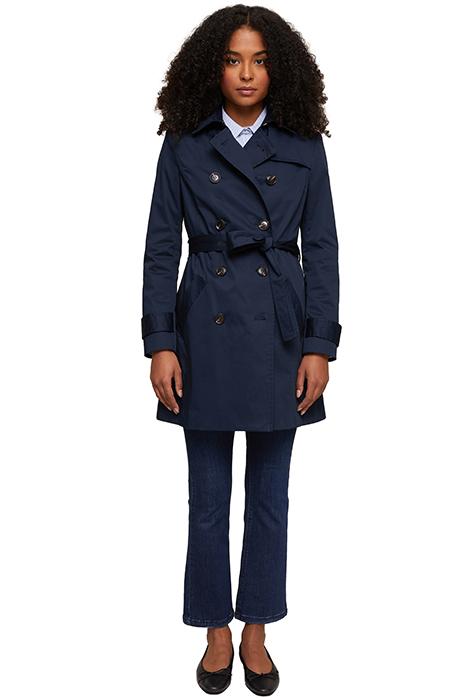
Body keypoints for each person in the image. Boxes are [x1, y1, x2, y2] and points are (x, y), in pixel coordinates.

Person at [140, 5, 342, 695]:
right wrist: (160, 342)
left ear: (278, 69)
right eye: (232, 59)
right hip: (204, 328)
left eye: (259, 60)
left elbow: (321, 248)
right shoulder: (184, 143)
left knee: (270, 498)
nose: (247, 73)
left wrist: (318, 345)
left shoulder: (303, 143)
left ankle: (255, 627)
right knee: (206, 498)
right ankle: (214, 630)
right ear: (212, 68)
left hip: (281, 332)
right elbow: (160, 247)